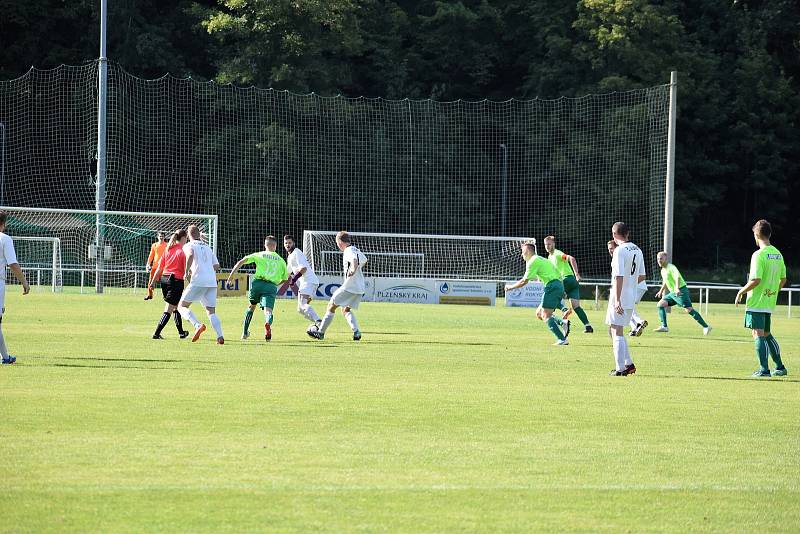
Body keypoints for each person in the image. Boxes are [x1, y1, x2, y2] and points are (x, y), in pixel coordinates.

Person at [735, 220, 788, 378]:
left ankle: (764, 370)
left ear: (756, 235)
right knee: (766, 334)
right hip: (769, 301)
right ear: (769, 234)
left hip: (757, 301)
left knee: (758, 334)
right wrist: (773, 291)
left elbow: (755, 280)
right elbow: (783, 279)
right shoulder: (778, 254)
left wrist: (741, 292)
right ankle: (780, 367)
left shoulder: (758, 255)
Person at [504, 242, 570, 346]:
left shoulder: (533, 261)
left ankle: (562, 339)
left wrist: (510, 287)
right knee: (539, 313)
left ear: (528, 251)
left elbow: (524, 281)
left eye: (523, 252)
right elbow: (555, 272)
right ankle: (562, 323)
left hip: (552, 286)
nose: (522, 254)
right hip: (557, 285)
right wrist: (561, 289)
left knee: (545, 315)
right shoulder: (540, 258)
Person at [307, 231, 367, 341]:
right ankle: (356, 332)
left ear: (340, 242)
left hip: (350, 286)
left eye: (337, 242)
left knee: (331, 306)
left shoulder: (348, 250)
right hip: (360, 287)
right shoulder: (356, 249)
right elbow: (364, 260)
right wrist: (356, 268)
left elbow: (354, 260)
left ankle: (320, 333)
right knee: (346, 310)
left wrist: (353, 269)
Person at [227, 236, 288, 341]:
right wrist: (275, 285)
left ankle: (245, 333)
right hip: (271, 286)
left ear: (265, 245)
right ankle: (268, 323)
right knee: (268, 311)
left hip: (258, 284)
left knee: (251, 307)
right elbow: (285, 278)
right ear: (275, 246)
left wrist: (231, 275)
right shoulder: (281, 260)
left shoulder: (259, 254)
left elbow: (241, 261)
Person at [607, 222, 645, 376]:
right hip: (630, 296)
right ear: (627, 233)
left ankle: (620, 369)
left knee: (616, 331)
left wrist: (617, 299)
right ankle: (628, 364)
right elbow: (642, 276)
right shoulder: (637, 249)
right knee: (614, 330)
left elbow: (618, 276)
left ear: (614, 235)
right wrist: (630, 285)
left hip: (620, 297)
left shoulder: (619, 251)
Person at [177, 225, 224, 344]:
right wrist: (206, 267)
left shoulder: (189, 245)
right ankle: (220, 336)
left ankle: (197, 325)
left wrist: (187, 271)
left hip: (198, 279)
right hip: (211, 281)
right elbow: (217, 266)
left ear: (188, 235)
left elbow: (191, 254)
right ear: (199, 234)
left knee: (181, 306)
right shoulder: (207, 247)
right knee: (211, 311)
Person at [543, 235, 593, 333]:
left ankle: (564, 309)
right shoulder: (549, 257)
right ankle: (588, 326)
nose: (547, 246)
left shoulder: (557, 253)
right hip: (572, 283)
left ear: (554, 244)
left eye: (549, 244)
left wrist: (577, 274)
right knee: (576, 306)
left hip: (566, 279)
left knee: (552, 298)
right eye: (545, 244)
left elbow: (572, 258)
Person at [654, 252, 711, 335]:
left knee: (689, 310)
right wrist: (661, 290)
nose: (659, 260)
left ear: (666, 259)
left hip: (681, 290)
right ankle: (664, 326)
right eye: (658, 259)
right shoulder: (663, 270)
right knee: (660, 304)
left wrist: (677, 288)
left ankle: (706, 326)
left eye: (661, 258)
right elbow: (666, 281)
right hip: (673, 293)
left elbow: (677, 278)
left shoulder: (671, 267)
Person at [0, 210, 30, 365]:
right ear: (3, 224)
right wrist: (24, 282)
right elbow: (12, 263)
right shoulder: (5, 239)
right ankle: (5, 357)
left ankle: (6, 357)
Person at [149, 229, 190, 339]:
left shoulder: (168, 250)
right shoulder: (182, 252)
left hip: (164, 280)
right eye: (186, 238)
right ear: (184, 238)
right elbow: (186, 271)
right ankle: (156, 333)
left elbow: (159, 268)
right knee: (169, 308)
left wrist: (152, 282)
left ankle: (181, 333)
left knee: (175, 307)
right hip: (175, 281)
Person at [607, 240, 648, 336]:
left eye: (611, 248)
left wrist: (628, 283)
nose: (610, 251)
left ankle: (639, 321)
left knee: (622, 307)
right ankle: (635, 327)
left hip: (636, 286)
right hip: (636, 286)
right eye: (609, 249)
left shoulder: (621, 253)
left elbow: (620, 277)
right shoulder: (632, 251)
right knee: (625, 308)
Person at [284, 234, 321, 329]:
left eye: (290, 243)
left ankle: (319, 322)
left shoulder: (297, 252)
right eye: (286, 243)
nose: (288, 245)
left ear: (294, 243)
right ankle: (319, 323)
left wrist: (294, 279)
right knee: (300, 309)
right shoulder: (290, 257)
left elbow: (303, 268)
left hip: (308, 281)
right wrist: (274, 283)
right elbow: (286, 275)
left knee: (303, 304)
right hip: (311, 282)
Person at [144, 232, 167, 301]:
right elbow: (151, 255)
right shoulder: (154, 245)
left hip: (164, 267)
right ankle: (149, 295)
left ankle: (165, 296)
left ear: (164, 237)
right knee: (151, 281)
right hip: (155, 266)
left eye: (162, 236)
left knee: (164, 282)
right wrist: (148, 264)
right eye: (160, 236)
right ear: (157, 237)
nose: (161, 237)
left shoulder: (167, 245)